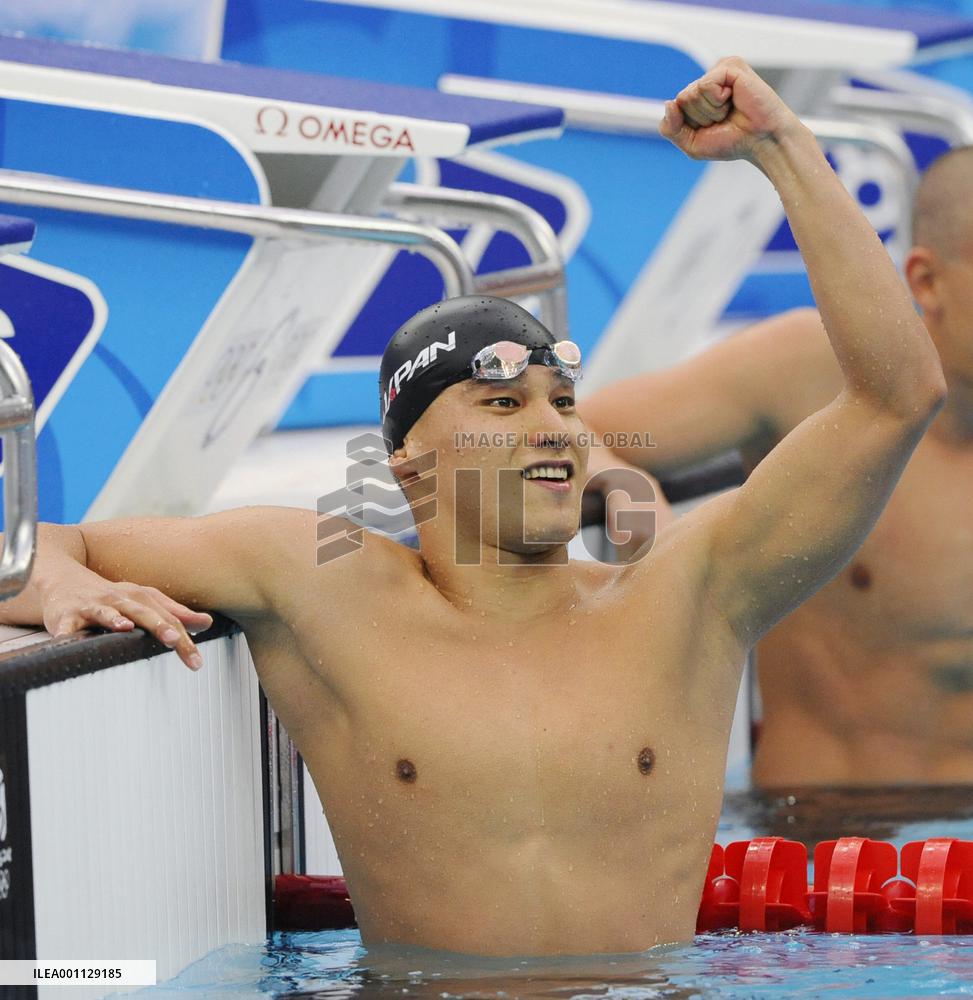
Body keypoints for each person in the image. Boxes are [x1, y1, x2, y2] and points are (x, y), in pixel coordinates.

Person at [0, 59, 945, 955]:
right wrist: (61, 587)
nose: (556, 428)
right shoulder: (323, 584)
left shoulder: (686, 597)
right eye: (502, 404)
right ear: (407, 462)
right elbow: (33, 542)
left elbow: (897, 396)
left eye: (563, 403)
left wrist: (781, 147)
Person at [580, 145, 973, 790]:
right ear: (928, 281)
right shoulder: (814, 372)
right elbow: (573, 429)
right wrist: (635, 498)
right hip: (822, 833)